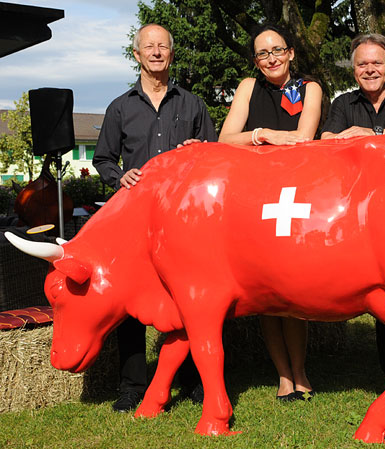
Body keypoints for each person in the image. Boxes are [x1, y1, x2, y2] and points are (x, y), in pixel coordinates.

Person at [93, 23, 217, 412]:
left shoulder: (193, 104)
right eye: (149, 47)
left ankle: (193, 379)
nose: (157, 52)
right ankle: (132, 386)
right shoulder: (120, 107)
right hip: (136, 220)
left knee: (188, 299)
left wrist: (198, 151)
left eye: (163, 46)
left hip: (184, 222)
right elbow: (102, 158)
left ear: (171, 53)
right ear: (137, 55)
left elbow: (214, 156)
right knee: (132, 306)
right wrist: (119, 175)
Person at [218, 24, 322, 401]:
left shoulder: (311, 88)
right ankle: (282, 376)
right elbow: (225, 141)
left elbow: (304, 140)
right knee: (267, 291)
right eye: (263, 53)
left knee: (290, 290)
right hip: (255, 196)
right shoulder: (248, 87)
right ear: (256, 61)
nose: (271, 58)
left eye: (277, 50)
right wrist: (264, 134)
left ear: (291, 53)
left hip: (298, 195)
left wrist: (264, 141)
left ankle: (300, 371)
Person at [321, 34, 385, 384]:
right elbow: (327, 141)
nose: (369, 69)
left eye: (376, 62)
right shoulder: (344, 103)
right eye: (362, 64)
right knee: (382, 290)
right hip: (362, 213)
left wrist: (369, 134)